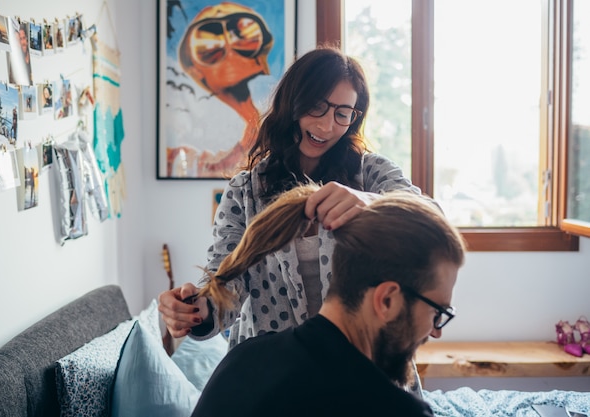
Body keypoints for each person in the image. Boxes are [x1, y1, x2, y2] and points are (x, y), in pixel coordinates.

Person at [158, 45, 425, 379]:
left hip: (362, 366)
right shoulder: (244, 192)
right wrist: (195, 310)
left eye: (343, 113)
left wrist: (371, 203)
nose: (328, 126)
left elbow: (430, 221)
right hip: (273, 373)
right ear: (292, 102)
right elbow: (226, 281)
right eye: (318, 107)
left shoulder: (370, 175)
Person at [190, 186, 465, 416]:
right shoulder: (395, 410)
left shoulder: (242, 359)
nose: (436, 331)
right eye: (436, 312)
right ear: (387, 300)